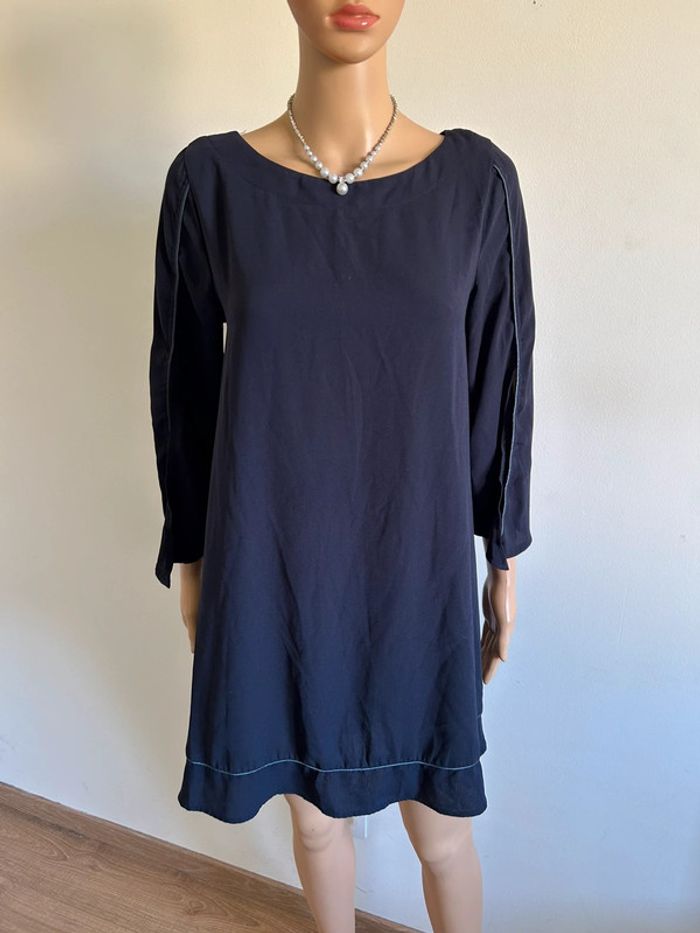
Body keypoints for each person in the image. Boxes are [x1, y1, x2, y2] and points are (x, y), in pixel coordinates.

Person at [148, 2, 536, 929]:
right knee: (316, 823)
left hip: (416, 571)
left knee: (442, 830)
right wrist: (191, 550)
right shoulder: (211, 182)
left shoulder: (475, 183)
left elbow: (503, 378)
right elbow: (183, 384)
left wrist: (503, 552)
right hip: (275, 563)